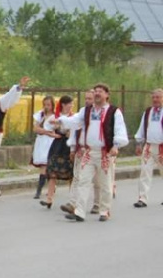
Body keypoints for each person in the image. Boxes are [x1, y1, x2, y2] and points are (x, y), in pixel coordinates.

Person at [52, 83, 128, 222]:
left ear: (107, 95)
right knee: (83, 181)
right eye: (96, 91)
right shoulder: (86, 111)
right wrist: (60, 121)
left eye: (100, 91)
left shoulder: (113, 111)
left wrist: (116, 145)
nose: (97, 94)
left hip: (105, 153)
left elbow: (119, 129)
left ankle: (104, 211)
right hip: (89, 152)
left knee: (105, 183)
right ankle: (79, 212)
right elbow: (75, 122)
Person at [61, 90, 101, 215]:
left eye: (90, 98)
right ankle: (73, 203)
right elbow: (74, 130)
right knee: (78, 178)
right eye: (86, 98)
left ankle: (97, 204)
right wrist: (73, 149)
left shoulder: (100, 115)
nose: (88, 101)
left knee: (97, 180)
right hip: (81, 149)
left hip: (95, 151)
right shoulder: (82, 113)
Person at [40, 95, 75, 208]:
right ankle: (49, 199)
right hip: (57, 144)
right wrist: (52, 133)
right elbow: (48, 128)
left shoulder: (73, 117)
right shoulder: (56, 116)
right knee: (52, 173)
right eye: (70, 103)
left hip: (69, 145)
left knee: (71, 173)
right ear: (64, 104)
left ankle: (73, 200)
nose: (71, 106)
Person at [133, 88, 163, 208]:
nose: (155, 100)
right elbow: (142, 127)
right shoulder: (148, 112)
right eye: (153, 97)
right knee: (145, 171)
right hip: (149, 146)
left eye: (158, 97)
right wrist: (139, 143)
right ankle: (142, 198)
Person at [31, 96, 56, 199]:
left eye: (48, 105)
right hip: (41, 141)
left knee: (46, 166)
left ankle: (40, 190)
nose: (46, 107)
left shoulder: (55, 116)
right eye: (45, 105)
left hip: (50, 142)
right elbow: (36, 129)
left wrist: (45, 131)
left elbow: (54, 131)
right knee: (43, 166)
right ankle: (44, 188)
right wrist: (45, 132)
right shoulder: (40, 115)